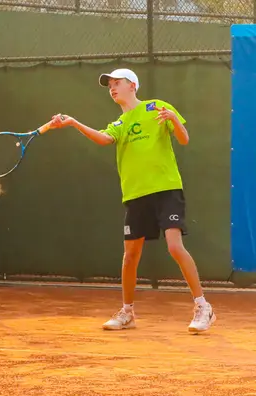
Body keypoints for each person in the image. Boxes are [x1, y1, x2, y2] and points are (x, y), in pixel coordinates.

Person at [50, 68, 216, 334]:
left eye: (118, 83)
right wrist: (73, 123)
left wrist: (174, 118)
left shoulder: (156, 107)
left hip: (166, 189)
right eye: (110, 85)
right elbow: (104, 139)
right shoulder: (119, 124)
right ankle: (127, 312)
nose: (112, 88)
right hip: (135, 194)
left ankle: (202, 306)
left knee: (174, 247)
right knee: (130, 256)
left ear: (133, 86)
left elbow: (184, 140)